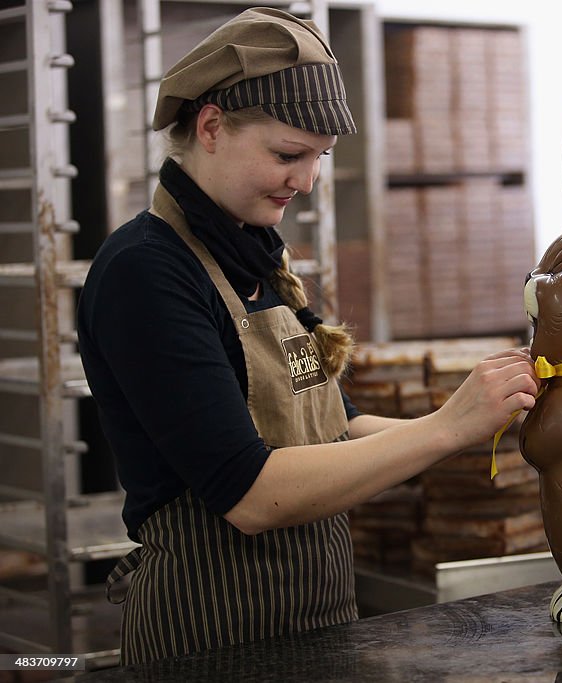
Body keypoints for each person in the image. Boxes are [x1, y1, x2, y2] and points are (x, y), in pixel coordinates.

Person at [77, 8, 538, 665]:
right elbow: (252, 493)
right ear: (211, 127)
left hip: (312, 630)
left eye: (320, 157)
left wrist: (483, 419)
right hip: (211, 643)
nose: (308, 181)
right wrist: (448, 428)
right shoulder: (146, 271)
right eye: (288, 154)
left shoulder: (254, 256)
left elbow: (337, 430)